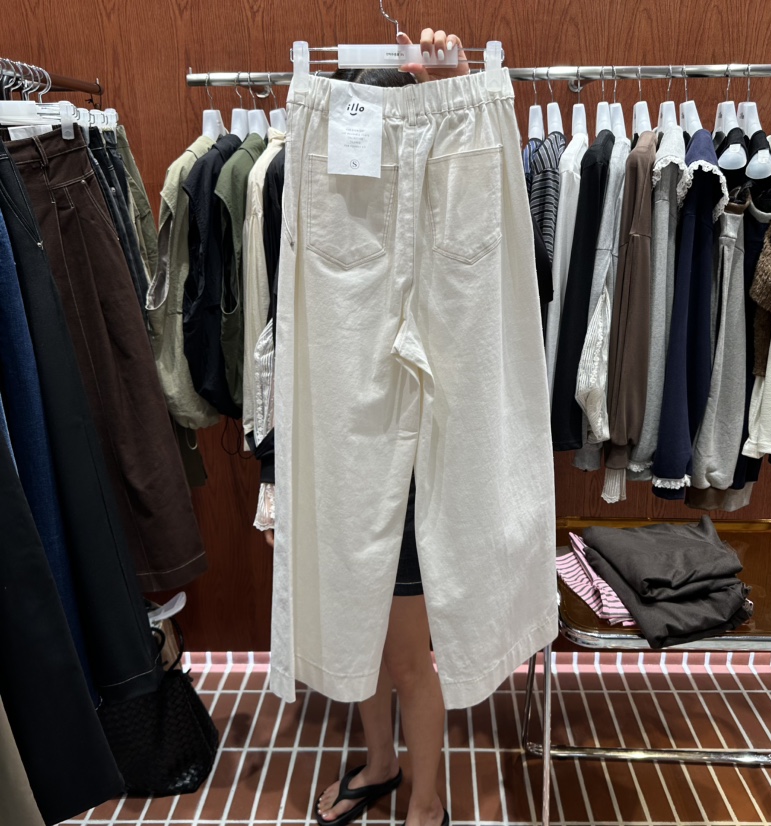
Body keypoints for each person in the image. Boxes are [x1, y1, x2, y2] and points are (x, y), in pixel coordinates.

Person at [261, 29, 469, 826]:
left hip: (417, 466)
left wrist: (453, 90)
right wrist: (278, 467)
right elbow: (287, 332)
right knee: (359, 634)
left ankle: (428, 798)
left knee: (408, 654)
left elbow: (495, 278)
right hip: (341, 447)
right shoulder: (306, 184)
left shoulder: (441, 190)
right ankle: (382, 765)